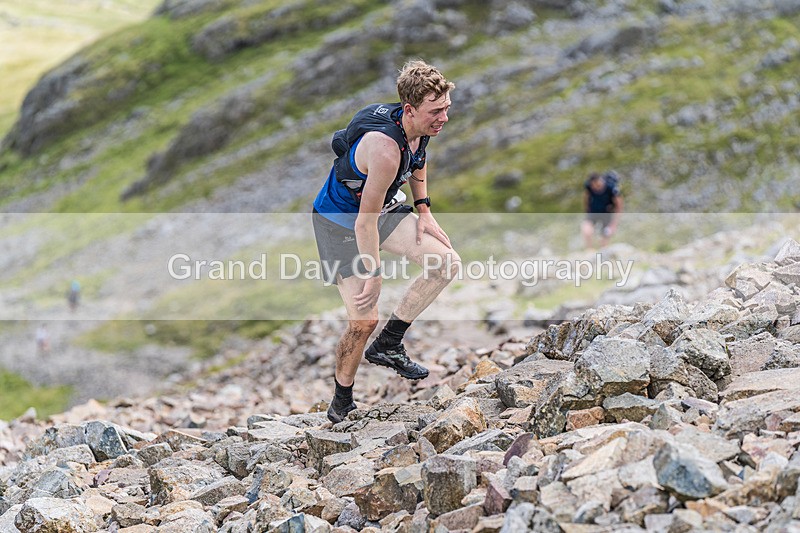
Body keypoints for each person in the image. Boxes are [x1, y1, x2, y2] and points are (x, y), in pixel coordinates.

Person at [312, 60, 460, 424]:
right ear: (409, 110)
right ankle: (341, 402)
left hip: (381, 209)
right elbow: (364, 223)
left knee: (446, 262)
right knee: (363, 320)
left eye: (446, 109)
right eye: (435, 112)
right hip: (340, 223)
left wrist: (424, 208)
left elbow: (419, 157)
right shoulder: (384, 150)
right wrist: (373, 273)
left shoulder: (419, 127)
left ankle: (390, 343)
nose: (443, 118)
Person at [581, 171, 623, 249]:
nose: (594, 187)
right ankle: (589, 250)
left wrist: (614, 224)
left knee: (605, 238)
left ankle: (603, 254)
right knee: (586, 230)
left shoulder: (611, 188)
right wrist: (587, 210)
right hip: (594, 211)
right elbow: (586, 197)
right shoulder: (589, 186)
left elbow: (619, 206)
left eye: (595, 185)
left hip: (607, 213)